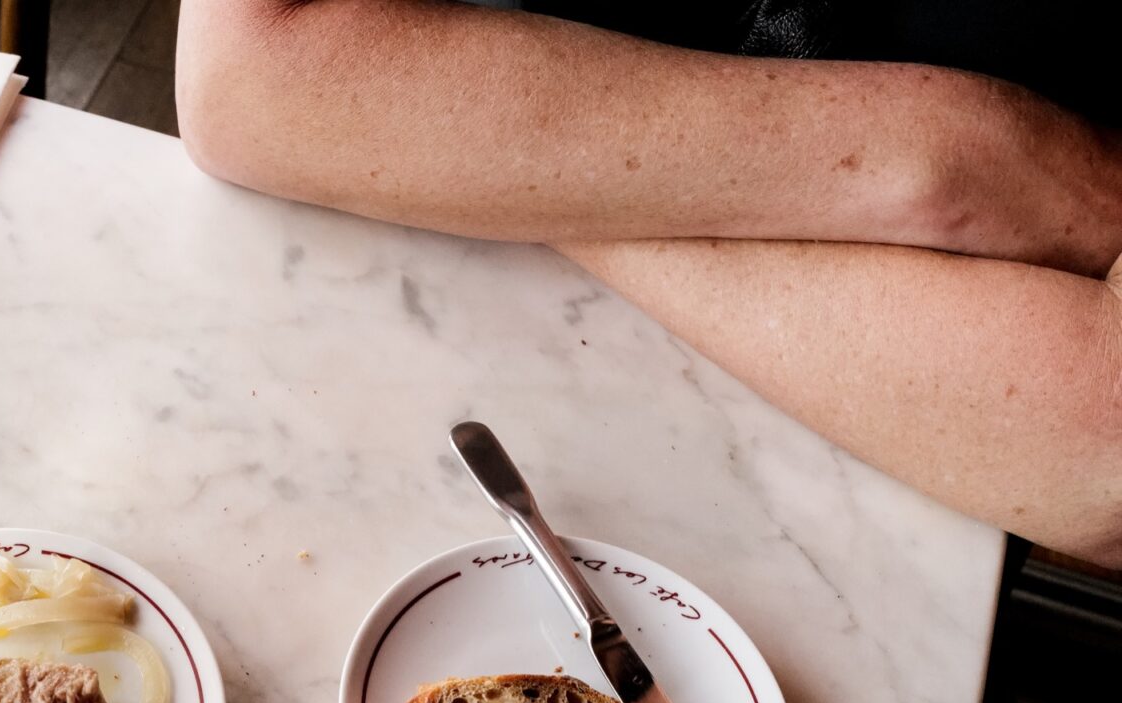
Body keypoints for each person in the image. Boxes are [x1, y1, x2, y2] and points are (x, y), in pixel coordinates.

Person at [174, 0, 1122, 567]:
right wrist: (951, 155)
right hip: (439, 354)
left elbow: (1101, 440)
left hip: (901, 512)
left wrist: (488, 163)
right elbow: (251, 72)